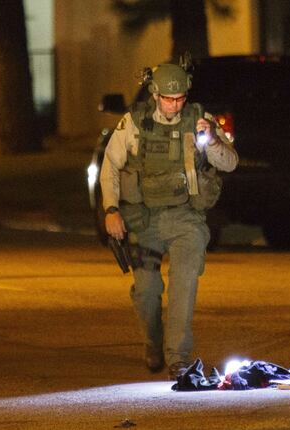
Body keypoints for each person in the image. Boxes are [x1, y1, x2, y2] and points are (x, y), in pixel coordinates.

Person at [100, 62, 238, 380]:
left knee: (184, 283)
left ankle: (178, 357)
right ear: (155, 94)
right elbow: (110, 166)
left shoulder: (198, 120)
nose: (174, 104)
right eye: (168, 98)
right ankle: (153, 343)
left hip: (186, 217)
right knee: (146, 292)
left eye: (180, 98)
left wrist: (213, 141)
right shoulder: (134, 122)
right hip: (144, 218)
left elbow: (230, 163)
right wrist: (111, 210)